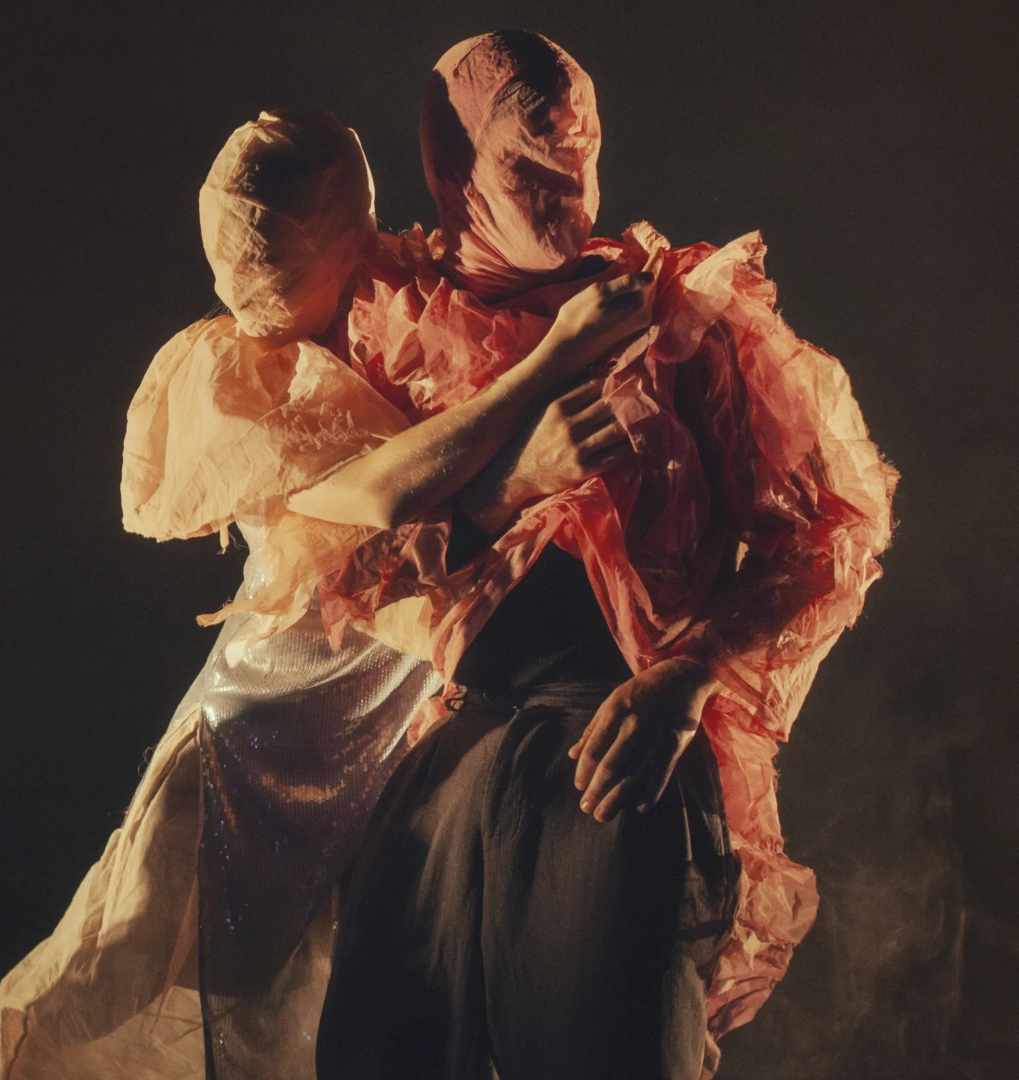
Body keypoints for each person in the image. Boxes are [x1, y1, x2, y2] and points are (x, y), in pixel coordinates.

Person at [0, 109, 649, 1080]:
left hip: (366, 741)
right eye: (251, 254)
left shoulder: (391, 308)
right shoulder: (238, 371)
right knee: (123, 982)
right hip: (259, 729)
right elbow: (378, 498)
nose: (257, 283)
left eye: (290, 247)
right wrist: (548, 369)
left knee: (309, 1003)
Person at [284, 31, 895, 1080]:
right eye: (533, 159)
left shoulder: (680, 318)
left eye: (585, 150)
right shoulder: (386, 332)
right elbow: (329, 575)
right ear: (454, 168)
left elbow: (833, 529)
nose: (571, 185)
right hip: (445, 766)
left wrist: (692, 674)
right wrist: (506, 483)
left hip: (617, 756)